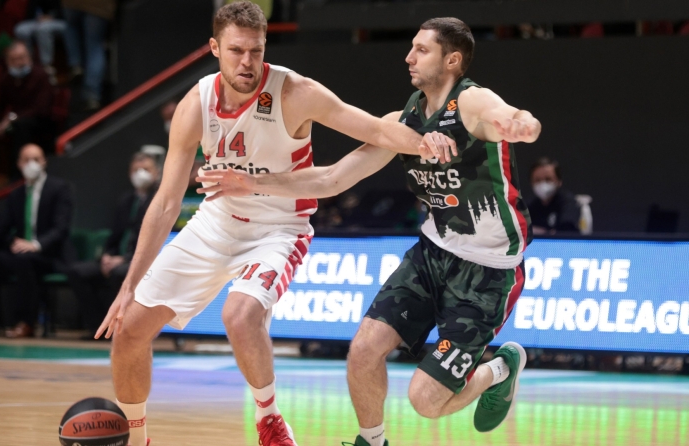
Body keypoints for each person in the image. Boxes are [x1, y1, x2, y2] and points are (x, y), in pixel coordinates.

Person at [93, 3, 437, 446]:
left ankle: (268, 417)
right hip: (216, 222)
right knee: (129, 331)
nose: (247, 62)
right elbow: (165, 204)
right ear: (214, 48)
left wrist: (433, 142)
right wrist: (129, 287)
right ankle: (136, 438)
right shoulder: (195, 105)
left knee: (240, 315)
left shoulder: (295, 92)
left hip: (279, 227)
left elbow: (378, 131)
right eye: (236, 51)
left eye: (255, 50)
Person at [198, 17, 542, 446]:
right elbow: (332, 178)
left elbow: (508, 114)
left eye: (422, 50)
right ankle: (371, 442)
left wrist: (521, 124)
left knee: (426, 401)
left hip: (488, 273)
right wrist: (252, 182)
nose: (409, 57)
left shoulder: (471, 102)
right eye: (411, 47)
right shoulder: (404, 121)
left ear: (452, 60)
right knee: (362, 350)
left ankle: (500, 369)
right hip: (432, 256)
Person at [0, 143, 73, 338]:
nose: (31, 164)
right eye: (26, 160)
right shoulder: (16, 194)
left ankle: (26, 322)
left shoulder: (59, 188)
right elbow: (2, 229)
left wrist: (35, 245)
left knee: (24, 260)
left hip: (50, 255)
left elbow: (60, 229)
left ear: (44, 162)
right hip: (22, 254)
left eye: (36, 159)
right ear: (19, 164)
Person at [67, 153, 159, 335]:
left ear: (156, 173)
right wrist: (106, 256)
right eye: (136, 170)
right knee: (77, 272)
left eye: (146, 169)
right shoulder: (125, 200)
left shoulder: (158, 201)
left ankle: (119, 330)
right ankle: (97, 327)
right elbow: (115, 235)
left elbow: (155, 239)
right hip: (117, 257)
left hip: (142, 261)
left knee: (119, 273)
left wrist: (125, 259)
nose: (140, 174)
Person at [0, 41, 54, 162]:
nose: (19, 63)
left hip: (40, 121)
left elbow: (42, 108)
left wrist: (13, 118)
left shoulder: (41, 75)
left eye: (22, 58)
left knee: (21, 126)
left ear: (29, 57)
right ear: (7, 62)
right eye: (14, 60)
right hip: (16, 120)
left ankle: (19, 167)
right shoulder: (6, 78)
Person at [62, 0, 115, 111]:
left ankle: (75, 64)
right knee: (94, 46)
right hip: (99, 5)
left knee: (71, 27)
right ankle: (92, 96)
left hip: (73, 3)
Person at [527, 157, 579, 234]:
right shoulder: (529, 207)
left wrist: (544, 233)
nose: (543, 184)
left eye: (548, 179)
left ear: (559, 181)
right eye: (537, 180)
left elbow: (566, 230)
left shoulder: (568, 203)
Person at [14, 0, 67, 72]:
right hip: (39, 21)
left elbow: (64, 12)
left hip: (60, 20)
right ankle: (28, 63)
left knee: (43, 29)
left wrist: (51, 16)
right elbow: (29, 14)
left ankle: (46, 65)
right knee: (21, 29)